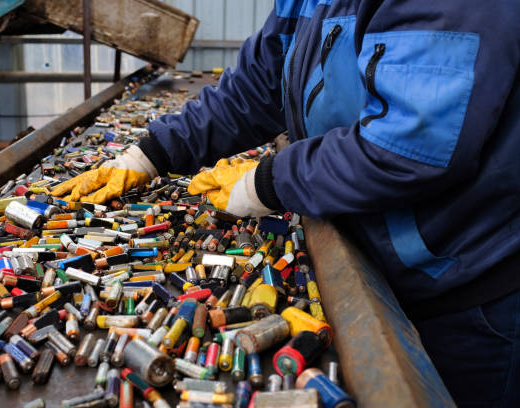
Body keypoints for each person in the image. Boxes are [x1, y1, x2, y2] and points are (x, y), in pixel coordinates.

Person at [52, 1, 520, 406]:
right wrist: (152, 154)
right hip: (377, 253)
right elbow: (257, 88)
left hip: (464, 284)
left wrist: (271, 181)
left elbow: (410, 148)